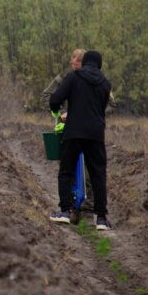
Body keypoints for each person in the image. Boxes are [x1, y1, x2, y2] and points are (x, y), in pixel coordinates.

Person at [49, 50, 113, 230]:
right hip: (95, 134)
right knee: (98, 174)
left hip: (74, 132)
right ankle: (101, 218)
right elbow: (102, 109)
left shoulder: (74, 77)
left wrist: (57, 110)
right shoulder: (105, 84)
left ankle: (66, 211)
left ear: (84, 62)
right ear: (99, 64)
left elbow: (55, 99)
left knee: (66, 171)